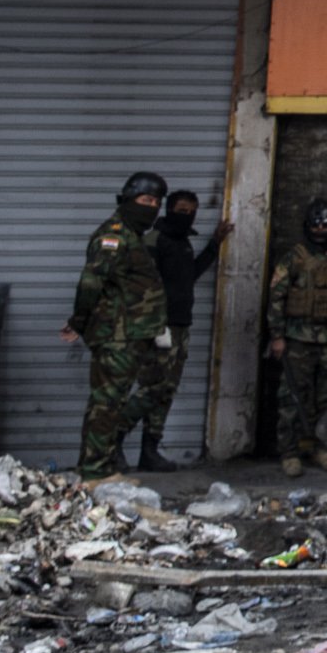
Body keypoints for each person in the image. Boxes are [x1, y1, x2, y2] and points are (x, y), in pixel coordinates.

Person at [60, 171, 171, 479]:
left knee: (116, 400)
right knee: (106, 403)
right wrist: (79, 322)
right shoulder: (114, 235)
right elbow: (91, 282)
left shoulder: (131, 235)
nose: (152, 207)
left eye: (156, 202)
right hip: (116, 336)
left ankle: (102, 465)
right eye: (145, 200)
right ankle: (94, 471)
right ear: (127, 199)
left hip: (133, 334)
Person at [131, 188, 231, 471]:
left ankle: (149, 451)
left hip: (180, 326)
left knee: (166, 390)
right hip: (158, 328)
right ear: (168, 209)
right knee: (151, 388)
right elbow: (142, 286)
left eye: (191, 212)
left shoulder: (183, 243)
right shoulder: (154, 240)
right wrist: (152, 325)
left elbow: (190, 275)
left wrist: (214, 244)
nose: (186, 216)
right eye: (181, 210)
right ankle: (112, 441)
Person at [266, 198, 327, 475]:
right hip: (299, 339)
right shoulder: (293, 258)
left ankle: (322, 449)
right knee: (292, 399)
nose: (320, 229)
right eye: (315, 225)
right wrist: (277, 336)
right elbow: (276, 298)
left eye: (325, 224)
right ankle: (289, 452)